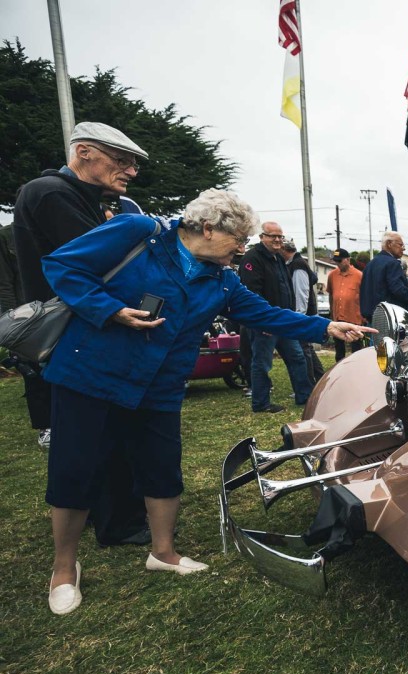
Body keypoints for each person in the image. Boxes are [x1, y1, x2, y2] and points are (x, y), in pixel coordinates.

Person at [40, 189, 373, 615]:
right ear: (208, 227)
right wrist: (110, 311)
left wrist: (326, 328)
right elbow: (62, 266)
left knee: (162, 467)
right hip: (90, 375)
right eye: (238, 237)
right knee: (75, 468)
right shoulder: (137, 232)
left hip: (159, 387)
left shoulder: (225, 280)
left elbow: (266, 314)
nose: (242, 247)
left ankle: (163, 552)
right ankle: (64, 569)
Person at [12, 122, 149, 449]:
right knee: (88, 453)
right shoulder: (52, 192)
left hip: (83, 329)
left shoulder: (81, 197)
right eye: (120, 161)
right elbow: (105, 266)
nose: (131, 171)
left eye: (134, 164)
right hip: (72, 336)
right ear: (84, 152)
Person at [237, 221, 313, 413]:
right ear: (262, 237)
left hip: (283, 320)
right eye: (273, 236)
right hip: (265, 322)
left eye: (280, 236)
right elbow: (252, 293)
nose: (278, 240)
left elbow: (286, 286)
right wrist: (262, 321)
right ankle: (261, 403)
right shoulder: (251, 259)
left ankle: (305, 397)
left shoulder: (277, 258)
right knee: (262, 363)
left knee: (297, 357)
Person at [282, 239, 324, 386]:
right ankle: (320, 380)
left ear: (284, 250)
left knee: (304, 349)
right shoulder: (295, 264)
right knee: (307, 349)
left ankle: (310, 383)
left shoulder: (298, 266)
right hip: (303, 315)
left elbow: (301, 293)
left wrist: (298, 317)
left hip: (302, 315)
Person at [360, 231, 408, 319]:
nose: (403, 249)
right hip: (390, 319)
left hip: (372, 317)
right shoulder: (392, 264)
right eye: (400, 245)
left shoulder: (370, 264)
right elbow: (398, 291)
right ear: (389, 244)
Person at [326, 248, 365, 361]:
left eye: (340, 261)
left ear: (348, 260)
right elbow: (331, 295)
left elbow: (364, 296)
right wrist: (332, 313)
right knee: (339, 349)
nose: (338, 264)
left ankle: (356, 369)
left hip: (355, 318)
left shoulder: (359, 275)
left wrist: (364, 316)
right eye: (336, 261)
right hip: (338, 317)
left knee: (356, 349)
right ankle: (339, 370)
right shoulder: (332, 275)